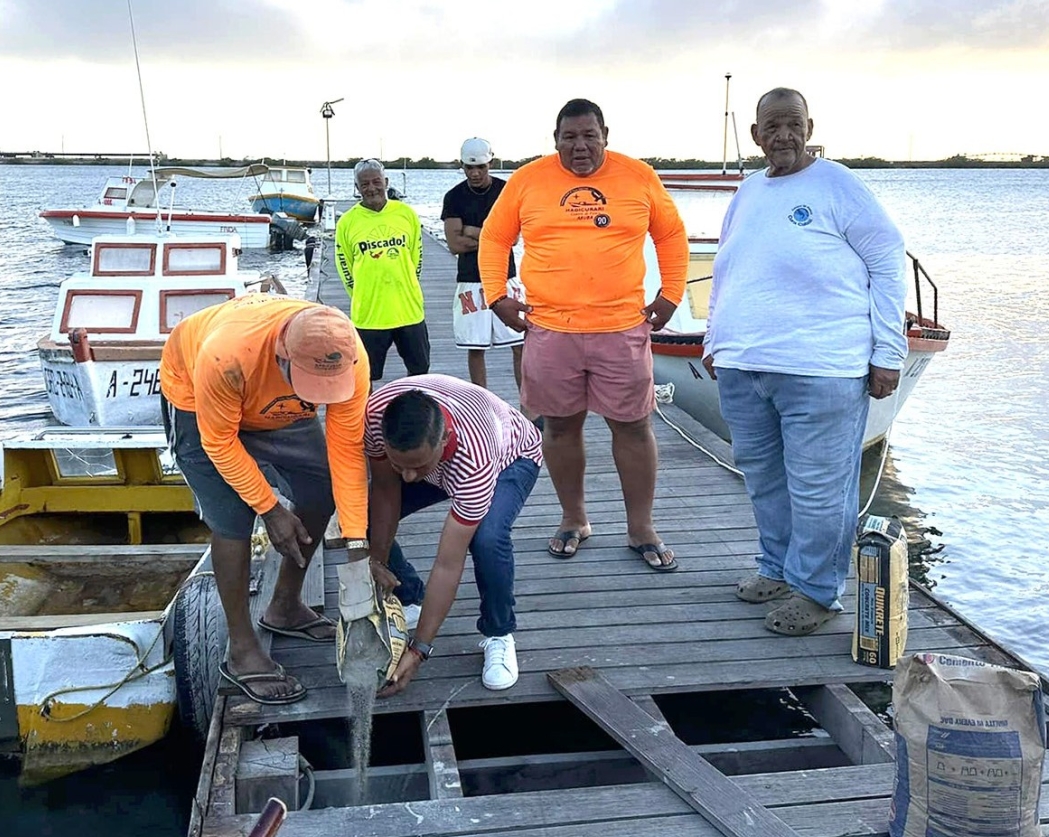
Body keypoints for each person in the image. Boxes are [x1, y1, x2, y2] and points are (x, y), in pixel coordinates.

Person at [702, 87, 908, 636]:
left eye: (793, 124)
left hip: (824, 368)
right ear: (756, 135)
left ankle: (818, 592)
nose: (783, 136)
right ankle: (776, 568)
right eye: (772, 126)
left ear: (810, 126)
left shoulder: (840, 185)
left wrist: (888, 352)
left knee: (819, 487)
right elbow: (728, 268)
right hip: (745, 366)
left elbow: (888, 264)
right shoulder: (748, 191)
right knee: (764, 478)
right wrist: (715, 339)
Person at [478, 98, 688, 571]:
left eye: (589, 136)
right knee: (560, 425)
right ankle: (574, 518)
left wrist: (671, 293)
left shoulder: (638, 176)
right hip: (550, 328)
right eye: (569, 137)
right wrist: (497, 296)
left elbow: (671, 235)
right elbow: (495, 238)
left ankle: (641, 526)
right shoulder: (528, 181)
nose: (580, 146)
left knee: (633, 426)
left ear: (605, 135)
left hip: (622, 327)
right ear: (555, 141)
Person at [160, 294, 372, 704]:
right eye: (313, 383)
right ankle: (242, 650)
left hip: (278, 408)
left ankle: (285, 606)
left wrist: (358, 545)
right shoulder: (227, 355)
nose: (323, 395)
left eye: (328, 387)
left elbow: (346, 451)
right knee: (232, 518)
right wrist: (270, 510)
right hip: (200, 399)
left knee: (322, 487)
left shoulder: (348, 354)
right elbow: (219, 443)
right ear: (281, 355)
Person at [363, 375, 542, 695]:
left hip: (512, 456)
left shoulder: (475, 458)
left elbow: (448, 562)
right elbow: (387, 488)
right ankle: (409, 596)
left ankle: (499, 633)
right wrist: (377, 559)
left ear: (446, 437)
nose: (408, 476)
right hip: (447, 456)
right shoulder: (377, 414)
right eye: (399, 463)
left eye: (417, 466)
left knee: (487, 538)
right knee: (364, 513)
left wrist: (419, 651)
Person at [440, 137, 527, 409]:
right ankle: (482, 406)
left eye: (480, 167)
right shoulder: (454, 197)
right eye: (469, 168)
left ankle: (528, 406)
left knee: (520, 342)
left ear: (490, 162)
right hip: (470, 279)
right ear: (462, 166)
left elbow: (512, 239)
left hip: (505, 277)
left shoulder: (506, 191)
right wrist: (493, 237)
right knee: (474, 347)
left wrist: (471, 231)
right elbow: (454, 245)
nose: (475, 173)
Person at [335, 158, 429, 382]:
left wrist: (407, 284)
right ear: (357, 188)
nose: (371, 188)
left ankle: (413, 415)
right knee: (365, 376)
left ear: (386, 182)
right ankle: (366, 416)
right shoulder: (347, 222)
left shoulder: (406, 214)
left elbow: (416, 258)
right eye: (364, 184)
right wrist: (363, 294)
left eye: (376, 182)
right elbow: (344, 267)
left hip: (409, 311)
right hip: (369, 316)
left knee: (420, 371)